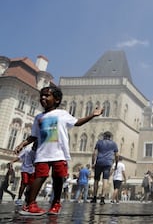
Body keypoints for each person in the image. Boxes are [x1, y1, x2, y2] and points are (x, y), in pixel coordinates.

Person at [13, 85, 103, 215]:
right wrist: (22, 144)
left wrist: (92, 115)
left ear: (56, 99)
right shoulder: (38, 117)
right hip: (42, 153)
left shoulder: (62, 114)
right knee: (40, 177)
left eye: (47, 95)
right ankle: (30, 204)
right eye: (41, 96)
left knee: (58, 179)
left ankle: (56, 203)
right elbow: (33, 135)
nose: (43, 98)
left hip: (59, 153)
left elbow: (77, 122)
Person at [91, 131, 119, 205]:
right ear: (110, 137)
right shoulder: (114, 144)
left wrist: (93, 163)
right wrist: (116, 164)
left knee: (96, 180)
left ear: (104, 136)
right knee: (105, 180)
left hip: (99, 162)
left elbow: (94, 153)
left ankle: (94, 197)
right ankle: (102, 198)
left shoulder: (99, 142)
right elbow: (117, 155)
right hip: (108, 163)